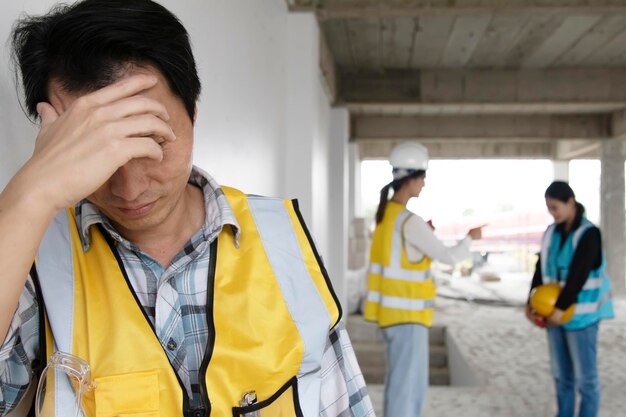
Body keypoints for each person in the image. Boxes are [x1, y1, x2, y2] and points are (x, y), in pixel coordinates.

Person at [0, 1, 374, 416]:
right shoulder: (30, 255)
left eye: (152, 139)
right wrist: (30, 191)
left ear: (193, 111)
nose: (130, 187)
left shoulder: (282, 237)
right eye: (96, 153)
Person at [363, 142, 483, 417]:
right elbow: (448, 257)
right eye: (423, 177)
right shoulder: (409, 221)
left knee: (400, 384)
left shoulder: (386, 218)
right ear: (412, 178)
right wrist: (470, 239)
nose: (425, 184)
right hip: (408, 317)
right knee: (409, 391)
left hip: (390, 316)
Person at [525, 181, 614, 417]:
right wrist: (530, 302)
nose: (552, 213)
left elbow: (579, 274)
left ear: (570, 203)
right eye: (549, 208)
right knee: (562, 377)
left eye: (555, 207)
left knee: (586, 380)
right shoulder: (551, 233)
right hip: (554, 315)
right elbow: (540, 269)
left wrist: (560, 308)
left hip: (582, 319)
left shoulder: (589, 234)